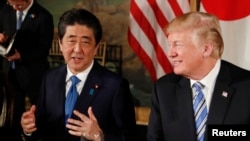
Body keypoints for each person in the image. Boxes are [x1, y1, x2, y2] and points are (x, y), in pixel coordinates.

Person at [21, 8, 137, 141]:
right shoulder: (49, 78)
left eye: (85, 42)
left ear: (96, 48)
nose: (77, 49)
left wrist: (100, 136)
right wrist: (28, 129)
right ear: (60, 44)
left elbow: (130, 137)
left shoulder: (115, 86)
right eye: (71, 41)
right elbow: (41, 128)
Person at [147, 11, 250, 141]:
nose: (170, 53)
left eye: (178, 44)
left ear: (206, 49)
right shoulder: (164, 89)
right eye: (169, 45)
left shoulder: (246, 86)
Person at [0, 0, 54, 140]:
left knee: (37, 112)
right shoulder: (6, 10)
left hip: (33, 74)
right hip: (10, 73)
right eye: (11, 4)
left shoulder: (43, 16)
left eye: (18, 5)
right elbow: (4, 31)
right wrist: (2, 37)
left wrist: (21, 56)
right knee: (13, 113)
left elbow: (43, 49)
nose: (14, 8)